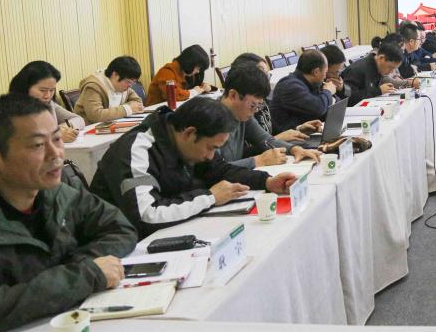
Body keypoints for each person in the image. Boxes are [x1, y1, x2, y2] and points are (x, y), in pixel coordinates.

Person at [0, 94, 137, 332]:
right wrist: (83, 276)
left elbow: (119, 228)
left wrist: (72, 273)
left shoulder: (59, 192)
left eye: (57, 139)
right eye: (38, 145)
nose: (56, 154)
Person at [90, 97, 296, 236]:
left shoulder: (186, 143)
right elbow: (147, 215)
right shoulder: (137, 149)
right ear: (189, 133)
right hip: (123, 245)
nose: (211, 156)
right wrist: (210, 197)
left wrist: (266, 181)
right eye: (210, 148)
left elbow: (220, 170)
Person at [217, 64, 320, 168]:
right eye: (253, 105)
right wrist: (258, 161)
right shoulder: (211, 120)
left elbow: (266, 140)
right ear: (233, 95)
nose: (255, 111)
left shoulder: (242, 114)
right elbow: (215, 170)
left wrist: (295, 149)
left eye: (259, 105)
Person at [230, 53, 322, 142]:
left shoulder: (263, 102)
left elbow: (273, 131)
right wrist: (277, 139)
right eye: (263, 75)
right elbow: (246, 150)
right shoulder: (240, 110)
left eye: (267, 75)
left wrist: (298, 129)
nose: (266, 80)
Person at [8, 61, 85, 143]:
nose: (47, 96)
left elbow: (79, 119)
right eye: (42, 90)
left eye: (52, 90)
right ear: (26, 87)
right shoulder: (11, 108)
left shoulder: (48, 103)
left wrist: (63, 128)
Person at [269, 50, 338, 133]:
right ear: (316, 72)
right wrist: (328, 91)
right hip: (286, 136)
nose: (325, 76)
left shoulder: (312, 83)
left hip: (304, 132)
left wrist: (330, 95)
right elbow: (318, 108)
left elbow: (334, 105)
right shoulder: (290, 86)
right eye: (325, 72)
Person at [74, 56, 144, 123]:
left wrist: (128, 108)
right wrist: (127, 109)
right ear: (115, 75)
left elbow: (138, 102)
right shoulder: (93, 86)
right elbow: (96, 116)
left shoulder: (124, 86)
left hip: (112, 125)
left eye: (133, 83)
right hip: (88, 128)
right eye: (128, 82)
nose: (130, 86)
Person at [146, 44, 212, 105]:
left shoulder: (186, 73)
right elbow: (173, 95)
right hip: (156, 111)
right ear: (190, 63)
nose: (198, 72)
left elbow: (194, 86)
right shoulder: (167, 72)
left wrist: (204, 87)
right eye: (198, 68)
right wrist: (194, 92)